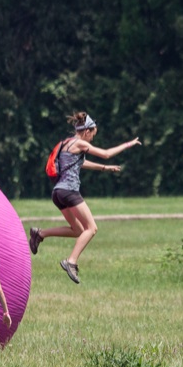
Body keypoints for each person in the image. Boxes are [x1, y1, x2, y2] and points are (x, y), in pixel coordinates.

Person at [29, 111, 140, 284]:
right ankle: (71, 261)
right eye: (92, 135)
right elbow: (106, 153)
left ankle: (40, 233)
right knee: (91, 228)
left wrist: (105, 168)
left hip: (58, 193)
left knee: (78, 230)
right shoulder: (80, 143)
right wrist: (128, 144)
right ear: (86, 131)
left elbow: (81, 163)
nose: (92, 139)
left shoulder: (66, 143)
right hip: (69, 192)